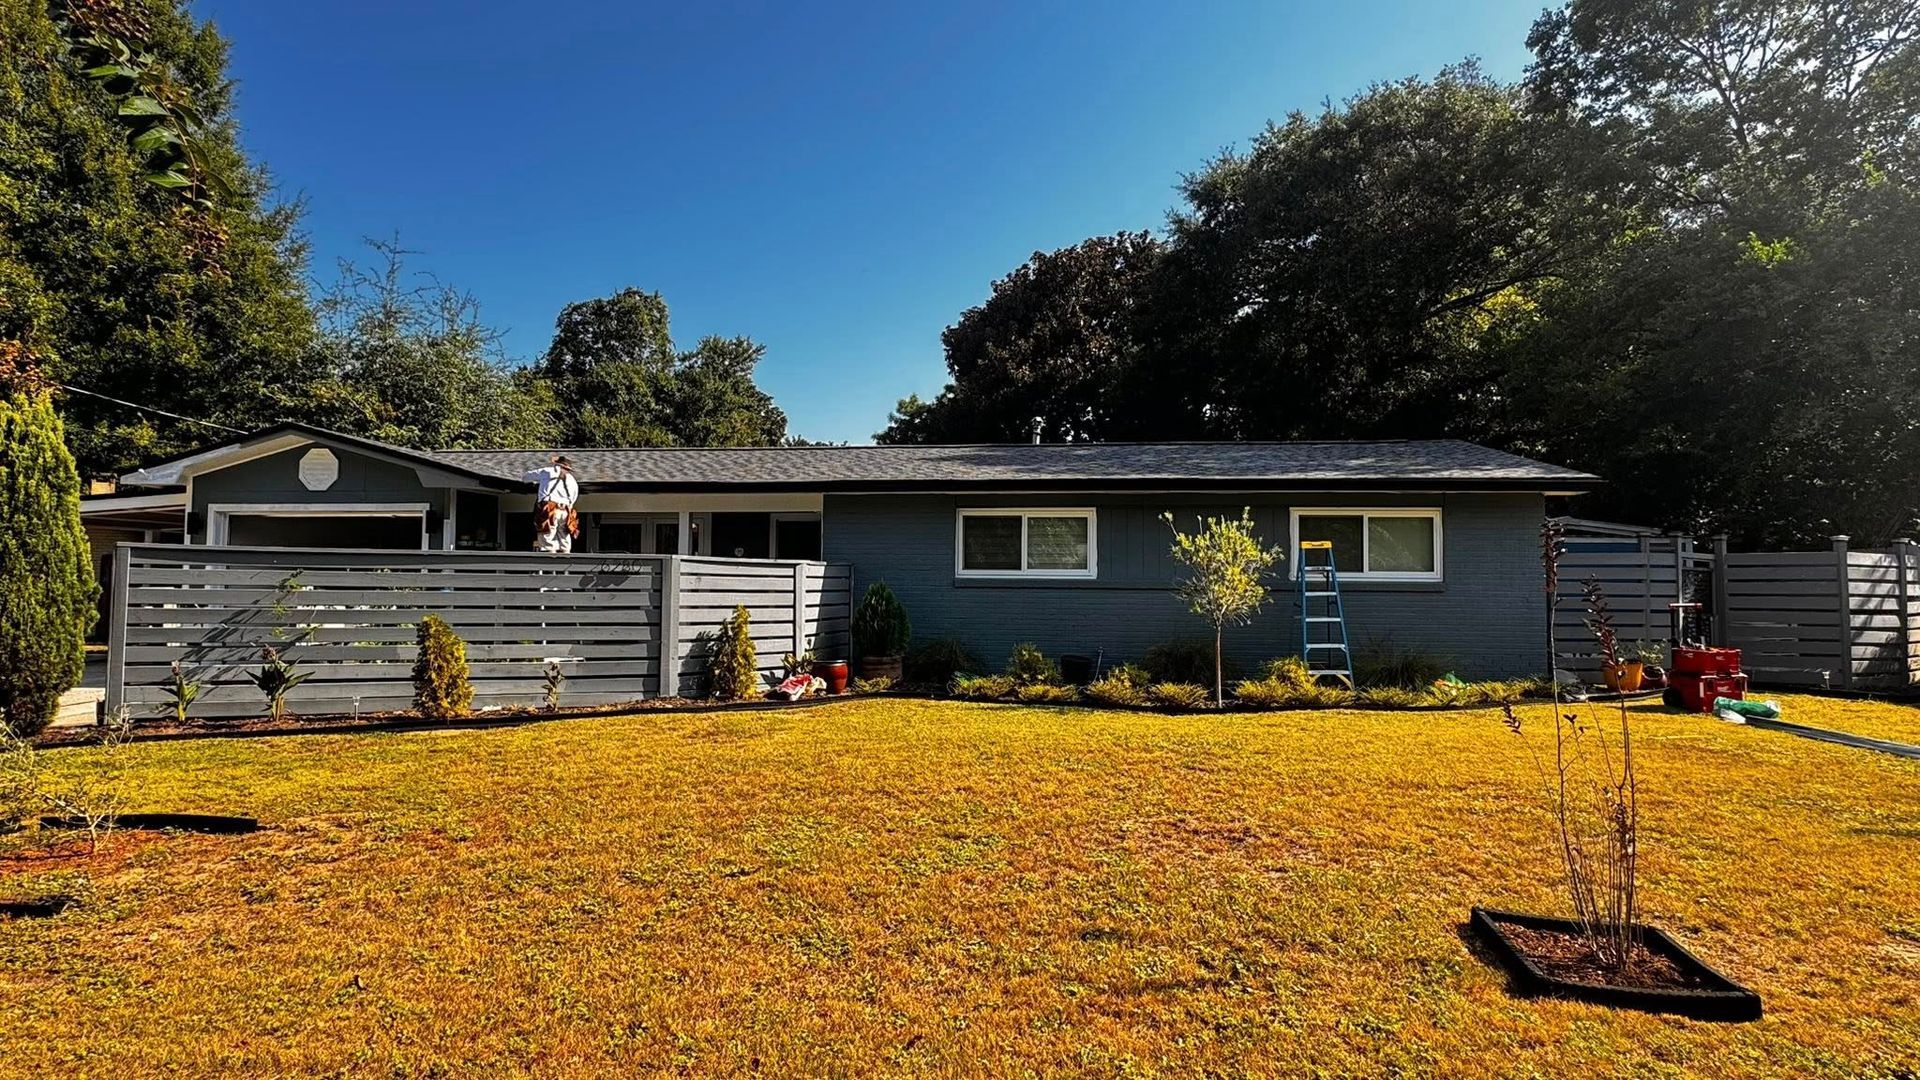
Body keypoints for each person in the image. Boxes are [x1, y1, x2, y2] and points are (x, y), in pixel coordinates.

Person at [522, 455, 580, 553]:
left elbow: (526, 477)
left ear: (557, 464)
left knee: (547, 535)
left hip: (550, 509)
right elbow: (574, 498)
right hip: (566, 511)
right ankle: (565, 561)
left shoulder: (547, 471)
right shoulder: (572, 480)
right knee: (564, 537)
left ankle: (550, 562)